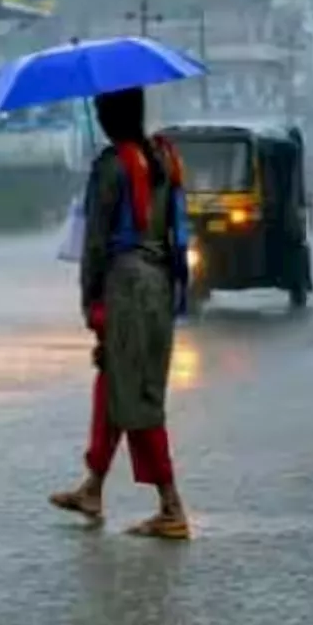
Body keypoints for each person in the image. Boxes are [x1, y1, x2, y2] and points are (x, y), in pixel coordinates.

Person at [49, 87, 192, 540]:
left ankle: (171, 506)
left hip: (125, 286)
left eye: (99, 109)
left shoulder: (110, 168)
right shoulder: (166, 159)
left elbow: (94, 243)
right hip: (159, 282)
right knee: (116, 383)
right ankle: (93, 487)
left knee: (138, 396)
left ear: (111, 117)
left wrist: (91, 301)